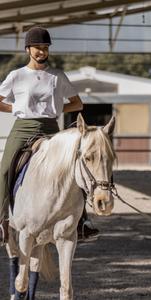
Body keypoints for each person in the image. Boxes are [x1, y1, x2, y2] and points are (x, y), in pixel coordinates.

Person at [0, 26, 98, 245]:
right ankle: (1, 222)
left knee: (74, 170)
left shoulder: (57, 76)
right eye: (37, 47)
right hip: (23, 126)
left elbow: (77, 103)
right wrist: (17, 108)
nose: (42, 52)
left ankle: (82, 222)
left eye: (45, 48)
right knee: (4, 169)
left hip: (51, 127)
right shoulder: (17, 75)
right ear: (28, 49)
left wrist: (54, 109)